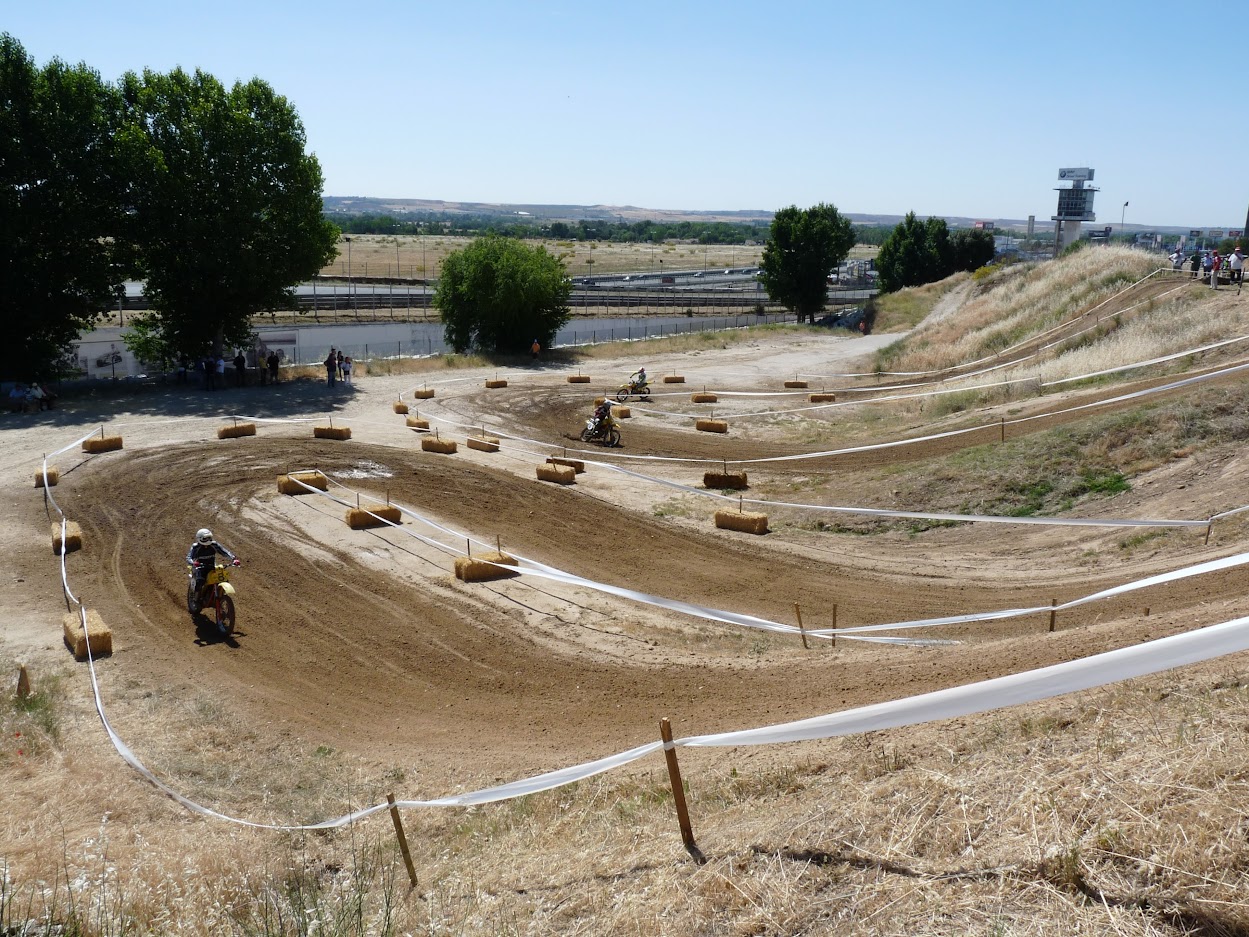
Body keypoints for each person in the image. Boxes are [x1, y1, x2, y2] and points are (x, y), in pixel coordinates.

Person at [186, 528, 239, 612]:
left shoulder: (214, 545)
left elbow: (224, 551)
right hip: (199, 567)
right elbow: (189, 557)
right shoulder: (196, 547)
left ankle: (219, 595)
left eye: (209, 537)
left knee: (222, 578)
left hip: (211, 566)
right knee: (200, 581)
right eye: (205, 538)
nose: (208, 540)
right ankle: (195, 600)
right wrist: (193, 563)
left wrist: (233, 559)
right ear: (200, 538)